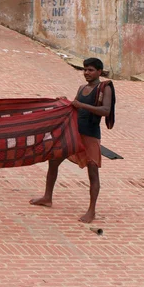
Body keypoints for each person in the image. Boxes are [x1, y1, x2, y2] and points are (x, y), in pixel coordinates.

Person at [30, 58, 113, 223]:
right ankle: (47, 197)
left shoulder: (105, 88)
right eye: (85, 70)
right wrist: (65, 101)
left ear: (99, 72)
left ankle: (92, 210)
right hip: (74, 132)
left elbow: (105, 110)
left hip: (90, 134)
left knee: (93, 172)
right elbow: (75, 106)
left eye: (90, 70)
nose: (86, 73)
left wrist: (81, 105)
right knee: (53, 161)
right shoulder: (82, 88)